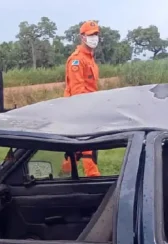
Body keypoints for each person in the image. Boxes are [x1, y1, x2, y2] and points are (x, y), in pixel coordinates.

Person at [61, 20, 101, 178]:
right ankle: (93, 178)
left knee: (76, 149)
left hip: (89, 106)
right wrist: (86, 111)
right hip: (78, 108)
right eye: (91, 35)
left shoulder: (90, 58)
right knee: (87, 146)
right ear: (82, 37)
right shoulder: (76, 60)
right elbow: (78, 90)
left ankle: (64, 176)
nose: (94, 37)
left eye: (96, 34)